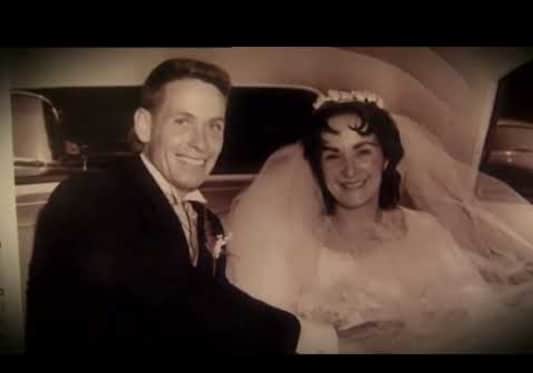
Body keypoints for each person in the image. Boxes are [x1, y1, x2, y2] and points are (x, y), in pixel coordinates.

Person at [25, 58, 303, 354]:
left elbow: (213, 298)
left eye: (214, 126)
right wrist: (299, 335)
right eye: (183, 122)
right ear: (144, 126)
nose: (201, 143)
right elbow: (170, 307)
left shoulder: (204, 218)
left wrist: (291, 328)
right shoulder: (91, 197)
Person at [227, 90, 533, 353]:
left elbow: (479, 318)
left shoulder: (426, 232)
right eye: (332, 155)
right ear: (318, 166)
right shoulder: (290, 242)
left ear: (386, 160)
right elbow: (271, 336)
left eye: (362, 152)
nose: (349, 170)